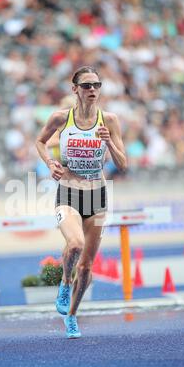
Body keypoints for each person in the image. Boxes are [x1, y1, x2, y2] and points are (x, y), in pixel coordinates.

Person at [36, 66, 127, 339]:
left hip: (97, 195)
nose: (92, 90)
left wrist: (109, 143)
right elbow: (39, 143)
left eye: (96, 85)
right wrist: (50, 163)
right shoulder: (61, 118)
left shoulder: (109, 120)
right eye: (86, 85)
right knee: (74, 244)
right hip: (69, 191)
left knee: (87, 266)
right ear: (74, 88)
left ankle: (72, 316)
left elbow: (123, 164)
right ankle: (65, 281)